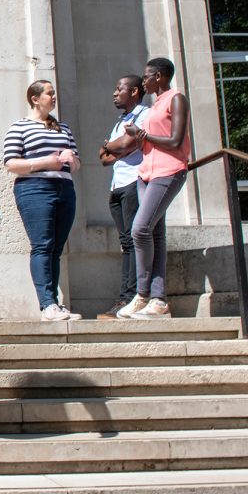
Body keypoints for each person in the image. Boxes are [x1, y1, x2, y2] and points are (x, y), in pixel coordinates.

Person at [114, 57, 192, 320]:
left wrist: (142, 135)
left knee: (140, 229)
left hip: (168, 171)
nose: (143, 80)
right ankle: (157, 300)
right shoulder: (155, 104)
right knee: (155, 235)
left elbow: (175, 139)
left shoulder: (176, 98)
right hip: (146, 173)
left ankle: (143, 294)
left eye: (147, 76)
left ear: (159, 76)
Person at [3, 79, 83, 322]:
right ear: (35, 99)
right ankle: (46, 304)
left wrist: (71, 158)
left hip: (64, 187)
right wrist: (46, 162)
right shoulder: (19, 127)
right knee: (43, 245)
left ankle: (54, 304)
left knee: (56, 248)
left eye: (54, 93)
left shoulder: (63, 128)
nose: (54, 97)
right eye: (49, 94)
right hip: (34, 188)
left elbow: (76, 166)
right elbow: (10, 163)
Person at [96, 76, 149, 319]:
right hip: (117, 185)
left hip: (133, 182)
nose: (115, 93)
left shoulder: (144, 114)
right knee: (125, 242)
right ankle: (126, 297)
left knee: (133, 241)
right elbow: (104, 157)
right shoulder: (121, 122)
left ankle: (132, 296)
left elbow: (129, 143)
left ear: (135, 91)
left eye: (120, 89)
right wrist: (115, 146)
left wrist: (115, 146)